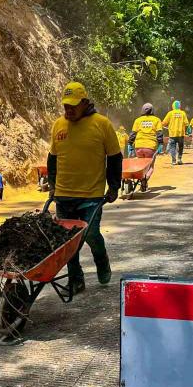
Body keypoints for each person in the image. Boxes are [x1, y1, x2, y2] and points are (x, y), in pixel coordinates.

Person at [48, 81, 122, 293]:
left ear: (85, 103)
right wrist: (52, 185)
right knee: (68, 242)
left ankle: (101, 259)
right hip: (63, 194)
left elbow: (115, 157)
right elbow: (52, 158)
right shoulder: (59, 125)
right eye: (65, 106)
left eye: (73, 105)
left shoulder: (102, 124)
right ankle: (76, 280)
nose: (68, 110)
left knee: (90, 234)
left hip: (91, 194)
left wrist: (114, 186)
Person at [162, 100, 189, 165]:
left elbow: (164, 123)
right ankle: (179, 159)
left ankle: (174, 161)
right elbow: (186, 123)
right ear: (179, 106)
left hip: (172, 134)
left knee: (172, 148)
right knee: (180, 147)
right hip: (181, 134)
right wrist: (188, 132)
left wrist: (161, 123)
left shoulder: (170, 113)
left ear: (173, 106)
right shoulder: (183, 113)